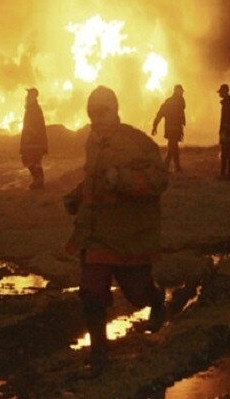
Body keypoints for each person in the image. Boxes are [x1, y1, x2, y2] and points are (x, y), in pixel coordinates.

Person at [63, 86, 169, 376]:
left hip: (127, 237)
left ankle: (156, 301)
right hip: (95, 234)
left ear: (115, 110)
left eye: (102, 111)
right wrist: (77, 195)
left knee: (137, 292)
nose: (96, 118)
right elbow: (95, 178)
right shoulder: (92, 141)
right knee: (92, 295)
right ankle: (99, 355)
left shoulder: (136, 142)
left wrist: (122, 179)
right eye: (92, 112)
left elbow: (160, 179)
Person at [151, 84, 186, 172]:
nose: (182, 93)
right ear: (177, 91)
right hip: (173, 129)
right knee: (173, 147)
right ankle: (175, 167)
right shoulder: (174, 102)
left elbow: (159, 115)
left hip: (173, 129)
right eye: (181, 91)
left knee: (172, 147)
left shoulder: (175, 102)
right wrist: (154, 126)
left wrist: (155, 126)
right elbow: (160, 114)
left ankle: (166, 166)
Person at [20, 87, 48, 189]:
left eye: (29, 95)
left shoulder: (34, 109)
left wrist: (31, 134)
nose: (27, 97)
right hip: (31, 140)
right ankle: (38, 181)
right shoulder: (31, 108)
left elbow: (36, 125)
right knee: (33, 160)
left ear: (33, 96)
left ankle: (38, 181)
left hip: (33, 141)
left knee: (31, 160)